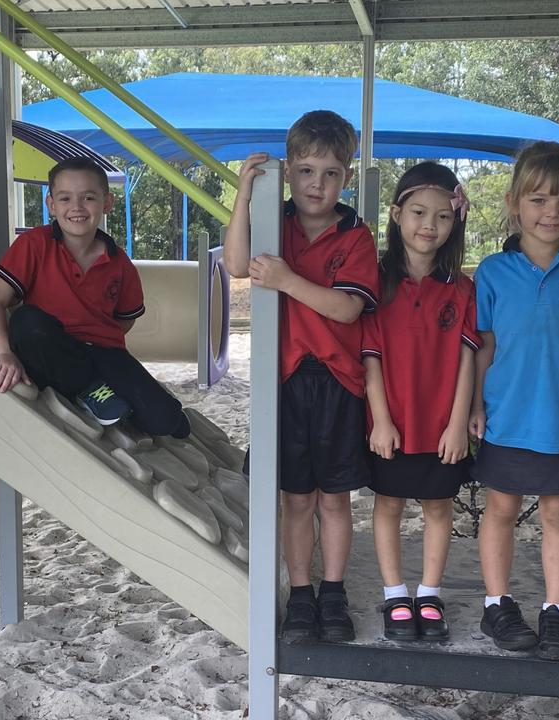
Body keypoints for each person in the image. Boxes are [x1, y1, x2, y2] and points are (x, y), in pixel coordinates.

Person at [222, 110, 379, 644]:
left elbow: (347, 311)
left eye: (331, 173)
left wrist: (288, 280)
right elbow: (239, 264)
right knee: (296, 499)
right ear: (289, 171)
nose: (318, 184)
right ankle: (302, 595)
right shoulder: (275, 221)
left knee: (335, 499)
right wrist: (243, 196)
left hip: (337, 381)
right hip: (284, 380)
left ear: (347, 176)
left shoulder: (356, 236)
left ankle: (332, 592)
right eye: (308, 171)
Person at [470, 141, 559, 661]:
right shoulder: (492, 271)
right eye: (539, 200)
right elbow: (484, 344)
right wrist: (475, 405)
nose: (552, 212)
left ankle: (557, 611)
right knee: (500, 509)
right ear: (514, 203)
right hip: (506, 414)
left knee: (558, 514)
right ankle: (497, 604)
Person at [0, 157, 191, 437]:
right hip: (51, 349)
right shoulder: (34, 244)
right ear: (51, 205)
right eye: (65, 199)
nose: (77, 208)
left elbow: (123, 321)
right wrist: (4, 353)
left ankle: (106, 392)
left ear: (107, 203)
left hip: (102, 352)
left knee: (168, 422)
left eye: (88, 198)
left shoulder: (119, 263)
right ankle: (90, 390)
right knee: (27, 322)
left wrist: (98, 338)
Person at [361, 162, 478, 642]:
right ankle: (395, 594)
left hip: (440, 422)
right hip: (391, 420)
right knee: (388, 504)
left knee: (437, 507)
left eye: (443, 216)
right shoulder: (376, 280)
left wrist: (457, 424)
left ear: (456, 221)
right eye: (417, 212)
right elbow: (370, 359)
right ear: (396, 214)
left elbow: (468, 360)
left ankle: (429, 592)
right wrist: (381, 420)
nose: (429, 225)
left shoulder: (463, 288)